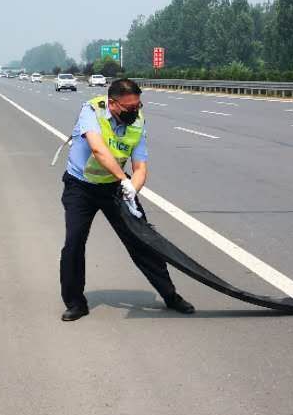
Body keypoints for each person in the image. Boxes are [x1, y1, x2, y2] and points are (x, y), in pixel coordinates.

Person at [59, 77, 195, 321]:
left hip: (115, 188)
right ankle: (75, 303)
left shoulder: (138, 122)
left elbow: (140, 167)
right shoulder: (92, 111)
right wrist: (124, 179)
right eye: (129, 108)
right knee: (74, 243)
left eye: (138, 106)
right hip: (81, 186)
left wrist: (133, 188)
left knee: (143, 240)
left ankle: (170, 295)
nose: (135, 111)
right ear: (112, 104)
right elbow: (99, 150)